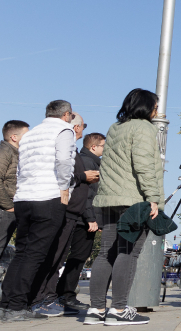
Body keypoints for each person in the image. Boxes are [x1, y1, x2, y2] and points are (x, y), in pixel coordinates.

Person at [86, 89, 164, 326]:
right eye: (155, 106)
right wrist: (153, 198)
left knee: (105, 253)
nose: (157, 111)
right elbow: (143, 165)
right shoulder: (144, 128)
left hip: (110, 199)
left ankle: (96, 309)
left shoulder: (115, 128)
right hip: (134, 201)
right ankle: (118, 310)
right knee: (128, 252)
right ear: (146, 107)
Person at [0, 101, 77, 323]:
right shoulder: (64, 129)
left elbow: (21, 166)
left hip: (24, 197)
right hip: (47, 196)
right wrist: (64, 186)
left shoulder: (32, 133)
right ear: (65, 114)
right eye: (71, 115)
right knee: (35, 254)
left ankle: (7, 305)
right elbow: (63, 159)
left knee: (22, 252)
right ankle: (17, 307)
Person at [29, 114, 101, 316]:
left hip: (71, 211)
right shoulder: (76, 155)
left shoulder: (75, 152)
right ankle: (43, 299)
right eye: (83, 126)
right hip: (67, 211)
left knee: (58, 257)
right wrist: (82, 178)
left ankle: (48, 297)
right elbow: (67, 177)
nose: (82, 129)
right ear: (76, 127)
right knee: (53, 257)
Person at [57, 132, 105, 311]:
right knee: (77, 257)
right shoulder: (88, 162)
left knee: (75, 257)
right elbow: (86, 194)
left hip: (81, 217)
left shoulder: (86, 160)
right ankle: (65, 295)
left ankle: (62, 294)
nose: (104, 149)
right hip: (81, 219)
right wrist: (91, 219)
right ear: (94, 147)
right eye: (103, 146)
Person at [0, 121, 27, 262]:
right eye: (26, 135)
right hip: (4, 209)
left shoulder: (15, 153)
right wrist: (8, 206)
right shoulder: (4, 150)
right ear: (14, 137)